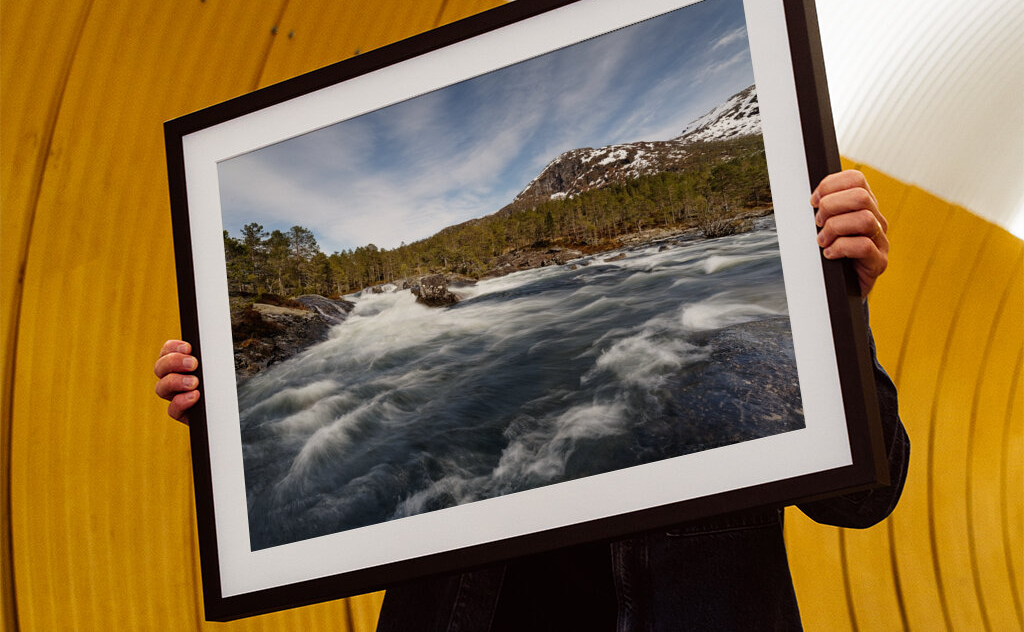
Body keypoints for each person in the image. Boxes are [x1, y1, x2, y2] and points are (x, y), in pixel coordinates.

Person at [154, 170, 908, 631]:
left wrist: (838, 307)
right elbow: (336, 477)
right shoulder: (436, 375)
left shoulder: (746, 326)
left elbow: (864, 498)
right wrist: (235, 411)